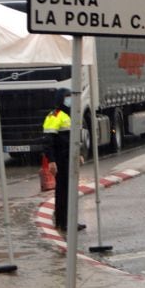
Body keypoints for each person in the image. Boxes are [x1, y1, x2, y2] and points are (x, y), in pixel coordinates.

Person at [43, 88, 85, 231]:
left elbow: (73, 139)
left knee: (70, 191)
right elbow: (48, 140)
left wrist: (78, 154)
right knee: (63, 192)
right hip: (60, 159)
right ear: (60, 98)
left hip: (70, 158)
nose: (69, 99)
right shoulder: (54, 115)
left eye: (70, 96)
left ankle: (69, 221)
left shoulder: (69, 114)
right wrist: (51, 161)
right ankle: (62, 222)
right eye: (67, 97)